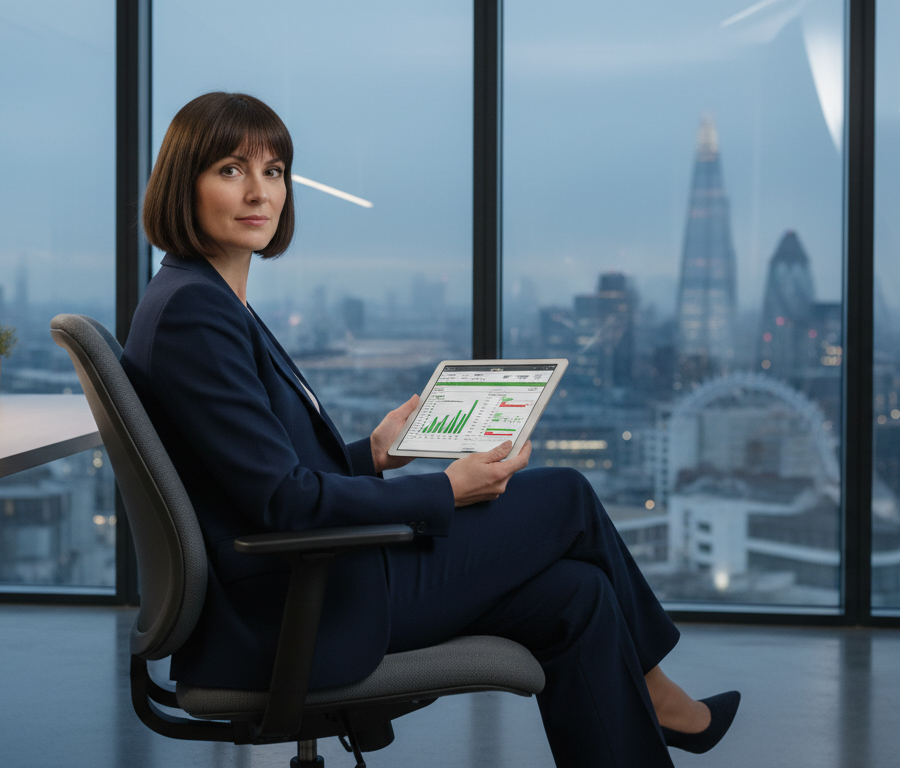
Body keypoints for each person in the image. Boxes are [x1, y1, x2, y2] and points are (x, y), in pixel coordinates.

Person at [121, 91, 740, 767]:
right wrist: (444, 491)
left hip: (304, 587)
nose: (259, 192)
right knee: (565, 496)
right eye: (231, 170)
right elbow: (283, 502)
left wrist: (374, 455)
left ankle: (649, 710)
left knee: (578, 598)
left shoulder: (200, 298)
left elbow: (260, 475)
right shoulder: (195, 314)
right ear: (186, 183)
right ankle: (658, 693)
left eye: (274, 171)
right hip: (297, 609)